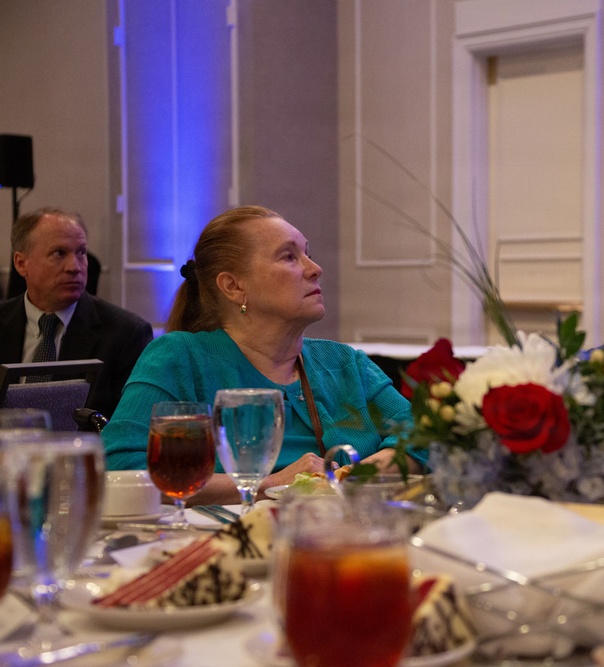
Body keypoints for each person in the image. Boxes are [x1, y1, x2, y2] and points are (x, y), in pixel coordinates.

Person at [101, 205, 418, 504]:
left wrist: (357, 475)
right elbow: (121, 468)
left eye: (308, 254)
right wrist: (270, 485)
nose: (315, 269)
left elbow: (425, 439)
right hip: (221, 549)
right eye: (289, 257)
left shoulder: (345, 364)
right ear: (234, 286)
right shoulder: (179, 358)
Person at [0, 207, 153, 417]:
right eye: (59, 254)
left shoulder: (126, 334)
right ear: (21, 263)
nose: (75, 267)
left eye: (81, 252)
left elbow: (128, 428)